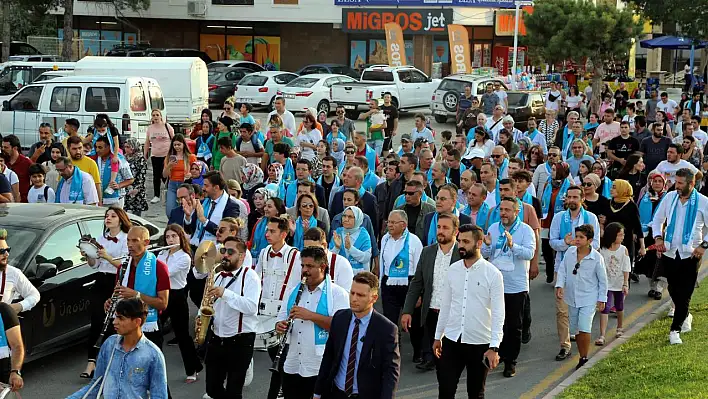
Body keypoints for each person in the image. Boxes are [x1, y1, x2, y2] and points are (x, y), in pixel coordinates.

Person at [433, 224, 503, 398]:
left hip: (480, 343)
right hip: (452, 340)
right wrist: (437, 336)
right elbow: (446, 306)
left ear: (479, 243)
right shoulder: (453, 270)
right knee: (446, 390)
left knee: (476, 393)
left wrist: (494, 346)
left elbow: (498, 313)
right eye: (459, 241)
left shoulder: (493, 274)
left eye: (466, 241)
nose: (461, 245)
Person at [276, 246, 349, 399]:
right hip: (293, 362)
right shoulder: (292, 292)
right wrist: (280, 326)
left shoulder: (338, 294)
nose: (304, 270)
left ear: (323, 267)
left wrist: (310, 316)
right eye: (303, 265)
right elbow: (281, 317)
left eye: (310, 266)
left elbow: (341, 328)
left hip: (318, 365)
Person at [313, 271, 400, 399]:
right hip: (336, 393)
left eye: (360, 295)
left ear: (374, 298)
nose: (354, 299)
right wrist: (317, 392)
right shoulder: (339, 318)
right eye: (352, 293)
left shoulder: (386, 329)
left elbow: (390, 371)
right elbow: (329, 357)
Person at [650, 168, 708, 345]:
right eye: (676, 182)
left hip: (690, 254)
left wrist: (703, 245)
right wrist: (658, 237)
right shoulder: (670, 198)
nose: (677, 186)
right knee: (674, 290)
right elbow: (658, 219)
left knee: (685, 292)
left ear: (692, 184)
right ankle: (686, 314)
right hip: (669, 251)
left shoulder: (703, 202)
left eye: (681, 183)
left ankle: (674, 330)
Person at [69, 298, 167, 399]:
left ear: (137, 321)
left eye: (121, 318)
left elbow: (159, 395)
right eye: (115, 317)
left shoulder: (153, 355)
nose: (114, 322)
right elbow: (96, 385)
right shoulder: (109, 344)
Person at [481, 197, 535, 377]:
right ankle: (500, 353)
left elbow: (529, 253)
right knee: (496, 323)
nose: (503, 213)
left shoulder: (525, 231)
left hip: (515, 286)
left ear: (516, 212)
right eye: (501, 210)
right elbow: (486, 254)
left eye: (507, 210)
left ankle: (511, 361)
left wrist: (513, 245)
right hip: (495, 284)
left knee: (513, 326)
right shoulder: (494, 228)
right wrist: (487, 246)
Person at [401, 213, 460, 372]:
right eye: (439, 227)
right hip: (432, 308)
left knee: (451, 353)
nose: (440, 231)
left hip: (453, 311)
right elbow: (417, 283)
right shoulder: (427, 252)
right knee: (431, 339)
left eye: (445, 228)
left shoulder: (461, 253)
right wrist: (407, 311)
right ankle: (430, 359)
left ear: (456, 231)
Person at [203, 237, 261, 399]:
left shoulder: (250, 277)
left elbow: (251, 307)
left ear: (242, 256)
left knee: (234, 391)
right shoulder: (219, 275)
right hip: (217, 338)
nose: (225, 255)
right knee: (212, 388)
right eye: (223, 251)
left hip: (240, 341)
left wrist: (225, 294)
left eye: (231, 252)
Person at [549, 186, 600, 361]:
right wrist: (566, 243)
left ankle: (580, 336)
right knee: (562, 310)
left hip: (585, 271)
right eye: (568, 197)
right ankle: (565, 345)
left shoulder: (591, 218)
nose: (571, 200)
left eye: (574, 197)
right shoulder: (558, 218)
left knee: (581, 308)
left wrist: (579, 247)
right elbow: (553, 243)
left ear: (582, 198)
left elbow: (597, 243)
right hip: (562, 269)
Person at [79, 208, 131, 379]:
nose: (108, 218)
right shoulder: (102, 238)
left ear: (121, 220)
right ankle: (91, 362)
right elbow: (95, 265)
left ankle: (112, 363)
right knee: (96, 319)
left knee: (113, 323)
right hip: (101, 280)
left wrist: (107, 256)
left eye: (113, 216)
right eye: (107, 216)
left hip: (116, 281)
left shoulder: (125, 239)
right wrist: (89, 256)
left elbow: (124, 267)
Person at [255, 216, 300, 399]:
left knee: (281, 360)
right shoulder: (265, 252)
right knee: (277, 359)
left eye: (272, 231)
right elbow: (258, 279)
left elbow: (296, 286)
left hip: (283, 314)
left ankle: (278, 393)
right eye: (267, 230)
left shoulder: (294, 255)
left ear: (283, 234)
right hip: (265, 313)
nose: (267, 234)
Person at [555, 224, 607, 369]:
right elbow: (563, 270)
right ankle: (581, 353)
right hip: (571, 297)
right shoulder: (570, 252)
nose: (577, 240)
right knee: (576, 329)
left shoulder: (596, 258)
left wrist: (602, 298)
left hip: (588, 297)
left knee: (584, 327)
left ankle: (584, 357)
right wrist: (560, 285)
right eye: (576, 236)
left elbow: (603, 279)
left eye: (581, 237)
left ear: (589, 240)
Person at [157, 225, 202, 383]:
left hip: (176, 296)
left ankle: (192, 369)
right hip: (161, 294)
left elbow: (165, 274)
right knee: (155, 332)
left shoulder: (185, 257)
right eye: (168, 237)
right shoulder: (162, 253)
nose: (170, 240)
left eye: (174, 236)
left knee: (182, 335)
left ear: (180, 238)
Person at [380, 210, 424, 363]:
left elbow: (420, 268)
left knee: (412, 323)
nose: (389, 225)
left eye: (393, 222)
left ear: (403, 225)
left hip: (409, 284)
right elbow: (382, 263)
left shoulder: (414, 241)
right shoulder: (385, 239)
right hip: (389, 284)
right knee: (390, 321)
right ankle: (393, 352)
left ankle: (418, 351)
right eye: (389, 222)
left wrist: (419, 293)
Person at [183, 171, 243, 248]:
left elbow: (227, 234)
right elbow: (189, 230)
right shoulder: (202, 203)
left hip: (214, 250)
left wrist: (203, 220)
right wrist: (188, 217)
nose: (203, 188)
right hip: (194, 245)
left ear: (216, 187)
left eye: (206, 186)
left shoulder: (231, 206)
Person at [596, 222, 631, 346]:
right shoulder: (602, 250)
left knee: (619, 306)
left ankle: (619, 327)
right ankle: (602, 335)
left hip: (619, 283)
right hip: (606, 284)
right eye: (620, 235)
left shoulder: (623, 250)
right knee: (604, 308)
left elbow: (626, 268)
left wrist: (625, 283)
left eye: (623, 235)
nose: (622, 237)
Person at [540, 162, 574, 283]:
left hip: (560, 220)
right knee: (546, 248)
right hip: (547, 220)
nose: (551, 172)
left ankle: (559, 273)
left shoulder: (569, 186)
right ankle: (550, 271)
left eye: (554, 170)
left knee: (558, 247)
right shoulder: (548, 184)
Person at [636, 172, 668, 299]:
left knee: (660, 262)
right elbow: (638, 214)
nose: (657, 184)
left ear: (664, 184)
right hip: (647, 233)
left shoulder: (668, 197)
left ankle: (659, 288)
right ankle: (652, 287)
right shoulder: (645, 196)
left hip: (661, 234)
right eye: (655, 181)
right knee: (649, 262)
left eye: (660, 181)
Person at [605, 179, 645, 270]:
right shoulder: (608, 203)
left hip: (625, 242)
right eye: (612, 187)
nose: (611, 189)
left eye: (614, 187)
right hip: (609, 242)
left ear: (622, 189)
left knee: (624, 270)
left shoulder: (631, 206)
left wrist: (642, 247)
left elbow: (638, 227)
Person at [144, 109, 175, 204]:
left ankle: (169, 192)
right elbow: (147, 142)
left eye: (157, 115)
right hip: (155, 155)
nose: (155, 117)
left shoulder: (167, 126)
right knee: (156, 176)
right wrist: (145, 153)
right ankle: (156, 195)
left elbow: (174, 139)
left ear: (161, 116)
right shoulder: (150, 128)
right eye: (153, 115)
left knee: (165, 174)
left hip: (166, 154)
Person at [95, 136, 134, 209]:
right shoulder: (95, 160)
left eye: (100, 147)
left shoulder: (119, 160)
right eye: (96, 147)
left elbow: (130, 179)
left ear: (109, 147)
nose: (97, 150)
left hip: (115, 200)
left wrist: (119, 185)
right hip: (98, 200)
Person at [330, 206, 371, 273]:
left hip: (358, 276)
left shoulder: (363, 234)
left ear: (358, 218)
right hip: (340, 274)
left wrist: (350, 248)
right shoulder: (338, 232)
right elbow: (329, 257)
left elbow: (366, 257)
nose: (346, 219)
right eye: (344, 216)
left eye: (350, 217)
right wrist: (337, 248)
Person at [66, 136, 102, 204]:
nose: (78, 151)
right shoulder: (65, 162)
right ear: (68, 149)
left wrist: (99, 203)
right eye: (74, 149)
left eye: (80, 148)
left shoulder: (91, 163)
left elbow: (97, 184)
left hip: (87, 202)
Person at [1, 135, 32, 203]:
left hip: (23, 203)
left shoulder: (27, 163)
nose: (3, 149)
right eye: (2, 147)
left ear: (15, 148)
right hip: (5, 202)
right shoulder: (2, 162)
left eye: (6, 147)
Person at [123, 138, 149, 216]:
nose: (126, 149)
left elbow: (142, 175)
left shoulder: (140, 159)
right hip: (125, 186)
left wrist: (136, 188)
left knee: (136, 213)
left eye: (128, 147)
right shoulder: (124, 158)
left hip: (137, 188)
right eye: (125, 147)